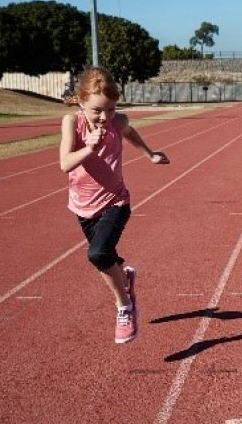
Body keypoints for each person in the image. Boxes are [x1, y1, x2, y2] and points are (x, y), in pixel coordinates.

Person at [59, 66, 169, 344]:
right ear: (82, 102)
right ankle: (125, 276)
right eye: (97, 110)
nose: (105, 117)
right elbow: (65, 164)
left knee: (97, 255)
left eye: (110, 109)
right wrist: (89, 148)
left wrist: (150, 154)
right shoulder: (71, 123)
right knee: (106, 260)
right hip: (82, 206)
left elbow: (129, 133)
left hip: (115, 201)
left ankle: (125, 307)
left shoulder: (117, 121)